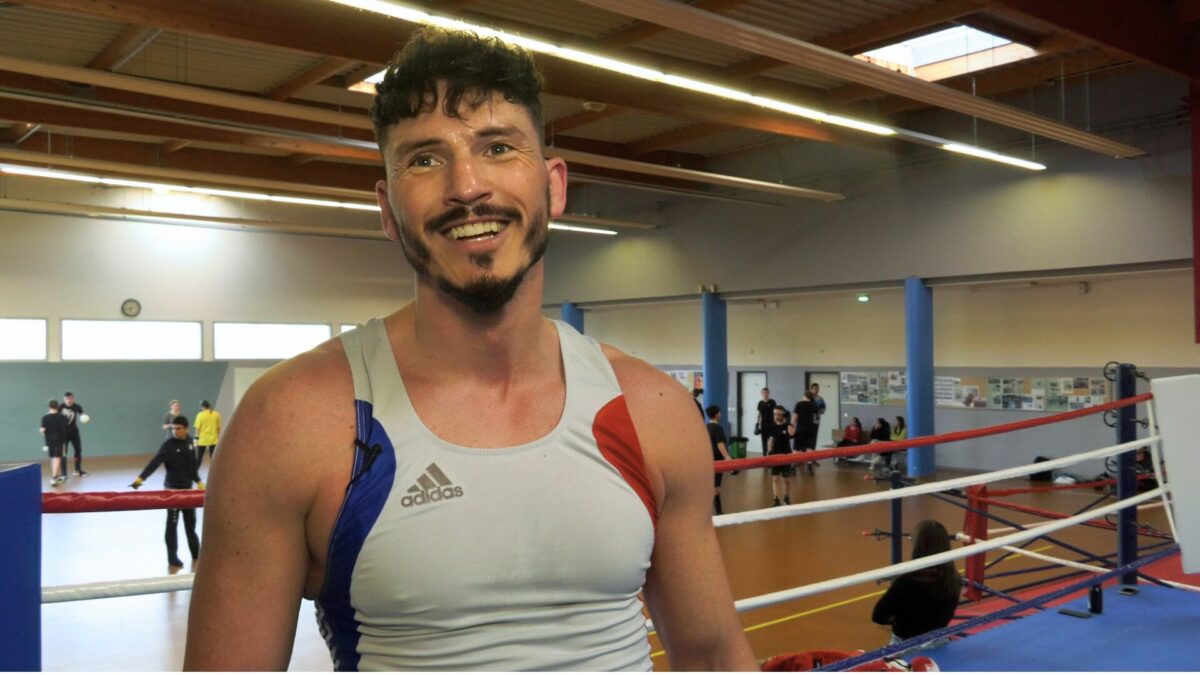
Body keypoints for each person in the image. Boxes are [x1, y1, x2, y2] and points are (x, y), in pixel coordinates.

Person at [185, 27, 755, 671]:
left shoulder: (652, 409)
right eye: (424, 159)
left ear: (554, 185)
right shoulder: (289, 421)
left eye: (499, 147)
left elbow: (712, 654)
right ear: (388, 209)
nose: (467, 186)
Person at [130, 415, 205, 569]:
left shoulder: (191, 443)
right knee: (172, 525)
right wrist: (141, 478)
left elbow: (191, 466)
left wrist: (198, 480)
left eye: (178, 429)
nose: (175, 432)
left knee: (190, 525)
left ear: (186, 429)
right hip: (172, 492)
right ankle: (172, 557)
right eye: (173, 429)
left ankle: (196, 554)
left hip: (188, 491)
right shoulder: (168, 445)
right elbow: (155, 462)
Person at [871, 520, 962, 646]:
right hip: (939, 641)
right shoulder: (954, 579)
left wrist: (898, 620)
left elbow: (878, 616)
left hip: (906, 644)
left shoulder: (905, 581)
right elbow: (947, 615)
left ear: (918, 545)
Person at [767, 405, 796, 507]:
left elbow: (793, 434)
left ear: (782, 415)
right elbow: (770, 440)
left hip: (786, 455)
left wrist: (789, 422)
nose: (776, 416)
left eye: (778, 414)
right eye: (774, 414)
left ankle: (786, 497)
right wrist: (769, 453)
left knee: (786, 479)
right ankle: (776, 499)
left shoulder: (787, 426)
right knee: (775, 479)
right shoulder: (773, 427)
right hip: (775, 455)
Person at [706, 405, 732, 515]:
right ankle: (718, 511)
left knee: (711, 485)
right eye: (720, 412)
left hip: (707, 459)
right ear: (717, 414)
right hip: (717, 461)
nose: (720, 414)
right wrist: (727, 457)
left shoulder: (706, 427)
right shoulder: (718, 428)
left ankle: (716, 510)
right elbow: (720, 445)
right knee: (716, 486)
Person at [40, 399, 68, 486]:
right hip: (60, 440)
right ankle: (54, 477)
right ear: (57, 406)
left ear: (49, 407)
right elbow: (65, 429)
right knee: (57, 458)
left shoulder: (45, 418)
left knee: (54, 458)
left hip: (50, 440)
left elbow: (42, 430)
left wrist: (43, 433)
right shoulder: (63, 417)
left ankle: (55, 476)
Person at [60, 391, 88, 476]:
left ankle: (77, 470)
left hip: (74, 432)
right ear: (64, 399)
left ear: (73, 398)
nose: (69, 400)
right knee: (64, 453)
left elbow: (83, 414)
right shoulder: (60, 407)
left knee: (78, 450)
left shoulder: (77, 406)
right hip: (63, 433)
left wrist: (84, 417)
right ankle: (64, 473)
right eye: (67, 398)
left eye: (71, 398)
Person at [791, 390, 817, 475]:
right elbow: (816, 417)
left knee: (796, 448)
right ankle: (809, 467)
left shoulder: (799, 404)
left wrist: (791, 428)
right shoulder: (813, 405)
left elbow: (794, 418)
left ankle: (793, 467)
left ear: (805, 396)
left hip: (800, 429)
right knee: (809, 448)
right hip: (810, 430)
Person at [194, 400, 221, 467]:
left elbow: (197, 429)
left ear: (202, 407)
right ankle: (214, 472)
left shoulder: (200, 415)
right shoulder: (216, 414)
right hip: (213, 439)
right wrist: (218, 436)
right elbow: (218, 428)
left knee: (199, 458)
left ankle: (194, 472)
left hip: (203, 439)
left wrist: (196, 439)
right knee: (213, 458)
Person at [756, 387, 777, 456]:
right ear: (761, 394)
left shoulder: (772, 402)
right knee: (764, 441)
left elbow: (775, 412)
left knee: (771, 439)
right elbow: (759, 414)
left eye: (766, 392)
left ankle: (771, 454)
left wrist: (776, 422)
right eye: (764, 392)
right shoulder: (760, 403)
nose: (765, 394)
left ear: (768, 393)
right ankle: (764, 456)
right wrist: (757, 423)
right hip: (763, 424)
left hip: (771, 424)